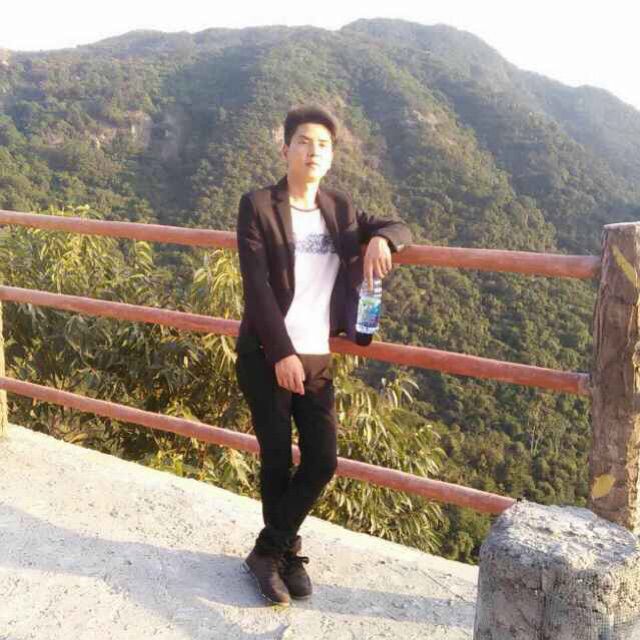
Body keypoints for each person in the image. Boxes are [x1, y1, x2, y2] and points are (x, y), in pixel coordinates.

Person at [234, 105, 412, 606]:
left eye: (324, 145)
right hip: (267, 353)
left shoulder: (339, 209)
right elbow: (256, 287)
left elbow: (398, 225)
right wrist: (281, 353)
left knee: (322, 459)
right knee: (275, 458)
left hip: (317, 355)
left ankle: (269, 551)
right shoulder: (258, 205)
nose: (314, 151)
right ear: (285, 149)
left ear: (332, 157)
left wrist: (382, 240)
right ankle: (283, 554)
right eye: (304, 142)